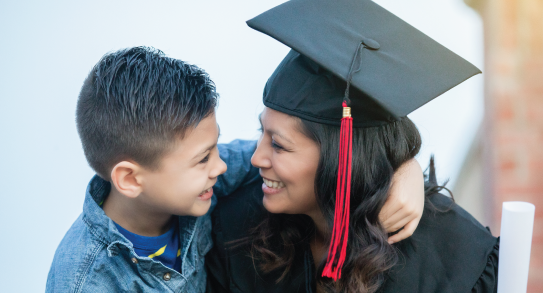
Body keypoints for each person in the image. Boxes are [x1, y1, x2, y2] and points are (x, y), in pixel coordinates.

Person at [46, 47, 425, 292]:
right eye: (203, 159)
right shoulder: (85, 279)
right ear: (130, 178)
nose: (223, 165)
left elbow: (315, 162)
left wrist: (404, 167)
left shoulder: (204, 180)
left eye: (215, 148)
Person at [205, 0, 499, 292]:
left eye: (279, 145)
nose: (257, 158)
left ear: (344, 156)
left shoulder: (458, 258)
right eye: (262, 132)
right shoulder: (237, 228)